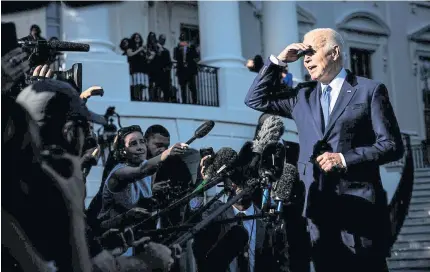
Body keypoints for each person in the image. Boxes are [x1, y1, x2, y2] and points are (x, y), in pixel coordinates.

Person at [244, 28, 404, 272]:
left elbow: (392, 146)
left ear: (334, 51)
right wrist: (278, 61)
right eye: (303, 54)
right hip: (316, 211)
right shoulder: (301, 96)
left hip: (360, 209)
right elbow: (255, 99)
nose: (305, 59)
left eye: (311, 51)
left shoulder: (369, 90)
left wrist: (344, 159)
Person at [193, 156, 290, 272]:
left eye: (246, 179)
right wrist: (203, 181)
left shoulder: (267, 221)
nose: (240, 185)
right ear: (228, 182)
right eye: (236, 179)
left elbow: (281, 263)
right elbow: (194, 214)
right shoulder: (216, 214)